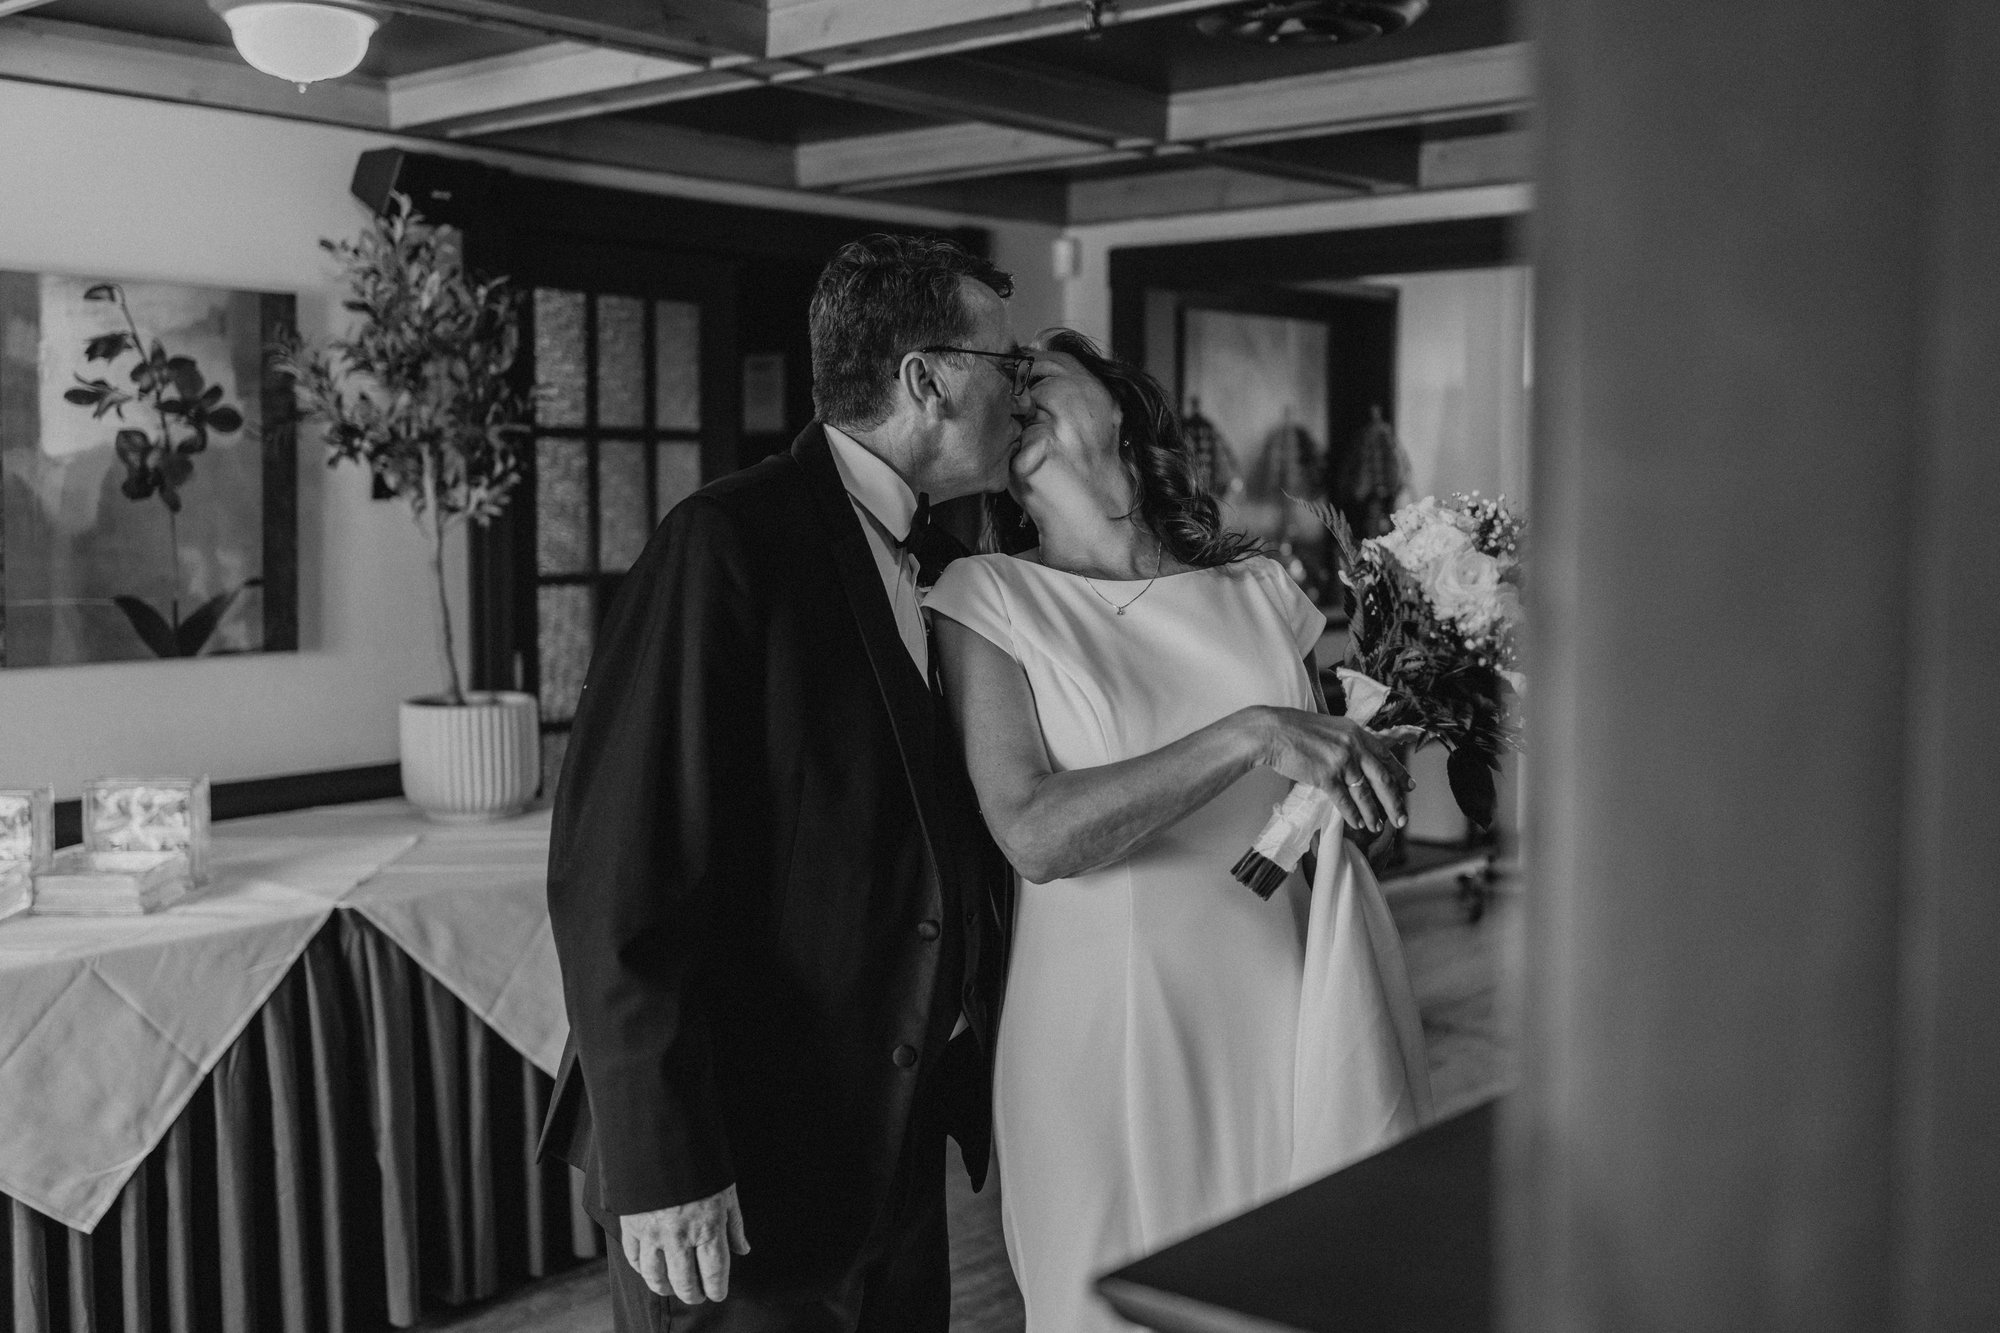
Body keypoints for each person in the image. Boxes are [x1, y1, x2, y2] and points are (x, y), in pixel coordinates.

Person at [539, 234, 1024, 1333]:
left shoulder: (942, 571)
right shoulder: (727, 540)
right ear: (928, 380)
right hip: (734, 1157)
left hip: (882, 1142)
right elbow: (617, 872)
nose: (1022, 392)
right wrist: (665, 1166)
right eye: (1006, 364)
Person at [926, 330, 1436, 1333]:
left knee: (1281, 1289)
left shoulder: (1260, 594)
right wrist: (1246, 734)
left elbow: (1306, 815)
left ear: (1115, 411)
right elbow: (1033, 833)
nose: (1008, 389)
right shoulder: (986, 596)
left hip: (1275, 997)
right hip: (1097, 1027)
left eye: (1033, 374)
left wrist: (1362, 792)